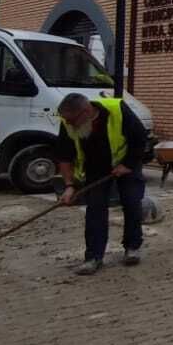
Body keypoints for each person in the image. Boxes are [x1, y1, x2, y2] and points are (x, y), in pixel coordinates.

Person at [53, 92, 150, 275]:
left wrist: (127, 165)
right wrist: (69, 186)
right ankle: (93, 257)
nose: (70, 124)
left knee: (131, 202)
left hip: (126, 162)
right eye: (67, 120)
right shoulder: (68, 123)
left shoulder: (118, 110)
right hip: (95, 169)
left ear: (86, 111)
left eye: (73, 120)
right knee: (95, 209)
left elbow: (140, 139)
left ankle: (132, 247)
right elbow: (64, 156)